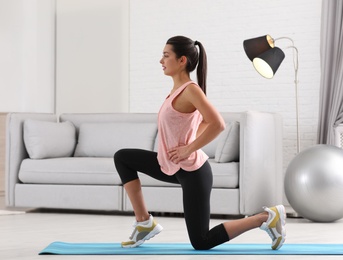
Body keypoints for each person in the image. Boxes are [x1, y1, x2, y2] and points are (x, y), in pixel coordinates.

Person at [114, 35, 286, 250]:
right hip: (170, 165)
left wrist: (189, 148)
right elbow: (202, 121)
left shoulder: (190, 90)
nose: (161, 60)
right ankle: (144, 223)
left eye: (166, 56)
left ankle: (265, 217)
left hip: (193, 172)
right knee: (123, 158)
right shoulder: (176, 91)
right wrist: (188, 141)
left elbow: (218, 123)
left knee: (201, 241)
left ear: (182, 60)